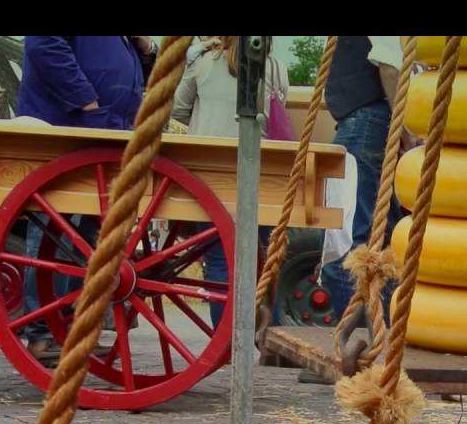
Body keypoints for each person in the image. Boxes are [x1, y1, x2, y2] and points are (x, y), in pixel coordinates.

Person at [15, 36, 156, 366]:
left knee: (79, 239)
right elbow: (44, 44)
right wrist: (86, 101)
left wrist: (145, 49)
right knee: (55, 232)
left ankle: (66, 329)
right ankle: (42, 332)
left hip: (100, 128)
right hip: (66, 126)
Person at [173, 35, 289, 329]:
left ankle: (223, 340)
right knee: (261, 259)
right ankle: (267, 337)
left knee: (218, 259)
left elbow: (178, 110)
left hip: (208, 178)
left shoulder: (202, 64)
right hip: (258, 177)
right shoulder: (274, 67)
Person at [318, 37, 418, 319]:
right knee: (378, 244)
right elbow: (389, 64)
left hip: (364, 122)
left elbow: (388, 65)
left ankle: (362, 335)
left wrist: (404, 126)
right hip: (371, 120)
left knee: (348, 245)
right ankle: (380, 333)